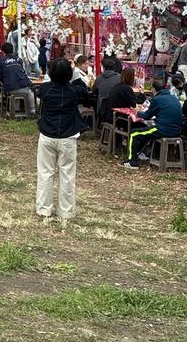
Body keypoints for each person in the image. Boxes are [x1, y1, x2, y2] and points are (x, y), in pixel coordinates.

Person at [35, 58, 90, 222]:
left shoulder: (45, 89)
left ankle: (44, 209)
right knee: (67, 174)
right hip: (68, 136)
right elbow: (84, 90)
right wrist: (75, 73)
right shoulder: (74, 91)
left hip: (47, 134)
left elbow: (40, 90)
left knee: (45, 173)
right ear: (69, 74)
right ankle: (66, 211)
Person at [123, 79, 183, 169]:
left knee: (134, 133)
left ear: (154, 89)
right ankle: (141, 153)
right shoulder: (173, 97)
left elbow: (147, 116)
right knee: (145, 130)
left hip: (163, 129)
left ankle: (132, 162)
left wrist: (136, 112)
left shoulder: (157, 99)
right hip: (177, 130)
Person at [92, 55, 122, 121]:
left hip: (101, 109)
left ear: (103, 67)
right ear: (114, 68)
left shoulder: (99, 78)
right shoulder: (119, 77)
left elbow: (93, 90)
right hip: (116, 109)